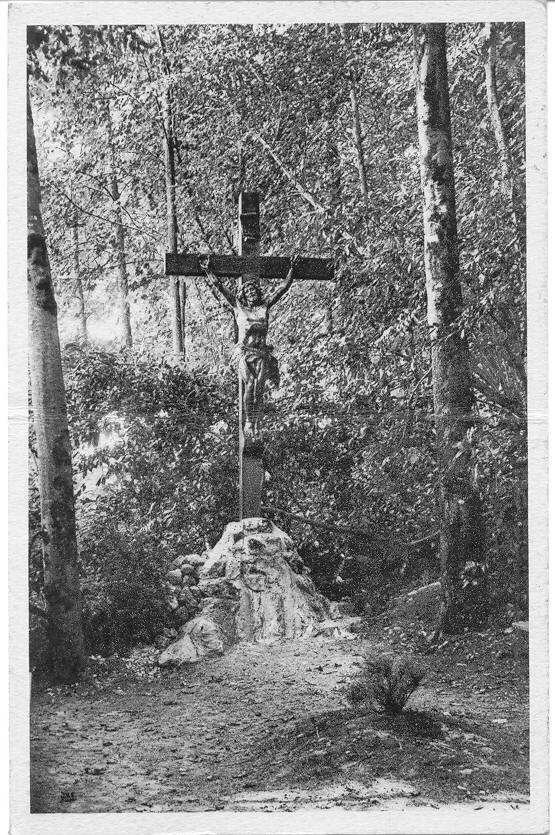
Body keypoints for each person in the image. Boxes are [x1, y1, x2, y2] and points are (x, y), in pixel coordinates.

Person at [199, 255, 297, 441]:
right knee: (250, 384)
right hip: (245, 353)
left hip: (262, 354)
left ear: (258, 293)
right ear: (243, 295)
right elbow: (220, 287)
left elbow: (282, 289)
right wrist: (208, 270)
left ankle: (256, 423)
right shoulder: (239, 308)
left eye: (253, 291)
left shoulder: (264, 308)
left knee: (259, 388)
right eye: (248, 291)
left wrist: (292, 270)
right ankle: (249, 422)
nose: (251, 293)